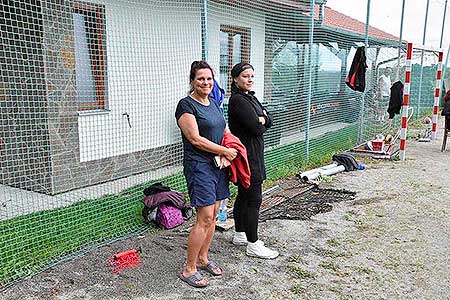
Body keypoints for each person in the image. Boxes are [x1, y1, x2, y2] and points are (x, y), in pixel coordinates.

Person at [175, 61, 238, 288]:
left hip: (217, 166)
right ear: (192, 80)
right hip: (198, 166)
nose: (206, 82)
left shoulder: (213, 103)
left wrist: (229, 147)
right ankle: (189, 268)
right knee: (203, 218)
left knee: (213, 215)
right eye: (201, 78)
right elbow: (195, 139)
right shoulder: (186, 106)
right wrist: (224, 151)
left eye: (209, 79)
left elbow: (223, 128)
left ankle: (203, 259)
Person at [227, 62, 279, 259]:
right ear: (235, 79)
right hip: (248, 156)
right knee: (254, 199)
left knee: (243, 195)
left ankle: (240, 234)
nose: (249, 80)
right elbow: (256, 128)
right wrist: (261, 119)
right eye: (245, 76)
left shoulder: (251, 98)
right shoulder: (238, 101)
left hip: (254, 153)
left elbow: (269, 119)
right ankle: (253, 244)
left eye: (251, 76)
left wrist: (263, 118)